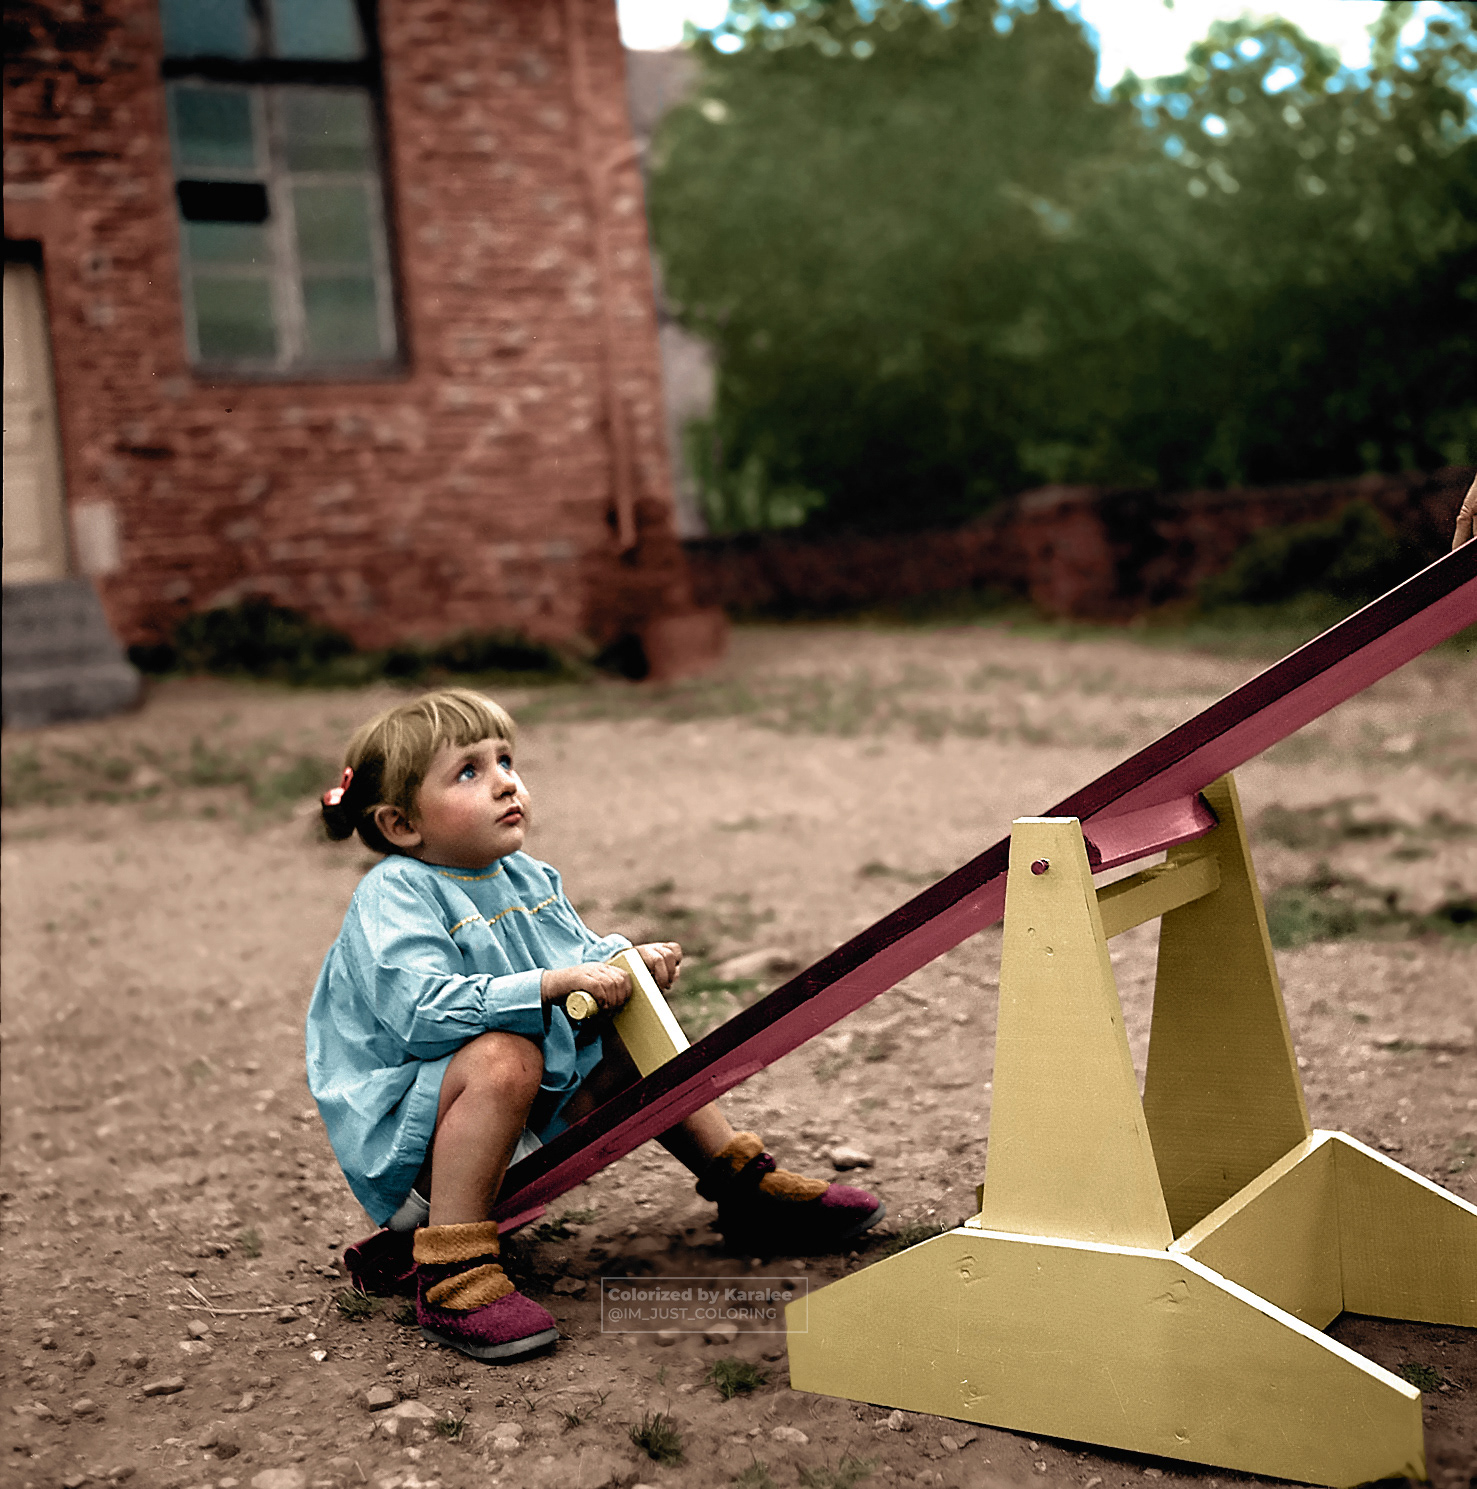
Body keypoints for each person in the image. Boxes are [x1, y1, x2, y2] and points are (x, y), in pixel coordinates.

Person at [308, 688, 883, 1363]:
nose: (504, 781)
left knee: (626, 1024)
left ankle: (743, 1185)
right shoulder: (395, 891)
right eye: (469, 771)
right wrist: (550, 984)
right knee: (503, 1053)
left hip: (518, 1125)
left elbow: (574, 956)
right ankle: (450, 1270)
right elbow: (422, 1013)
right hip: (421, 1157)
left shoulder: (521, 874)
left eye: (505, 760)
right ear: (402, 824)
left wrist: (622, 963)